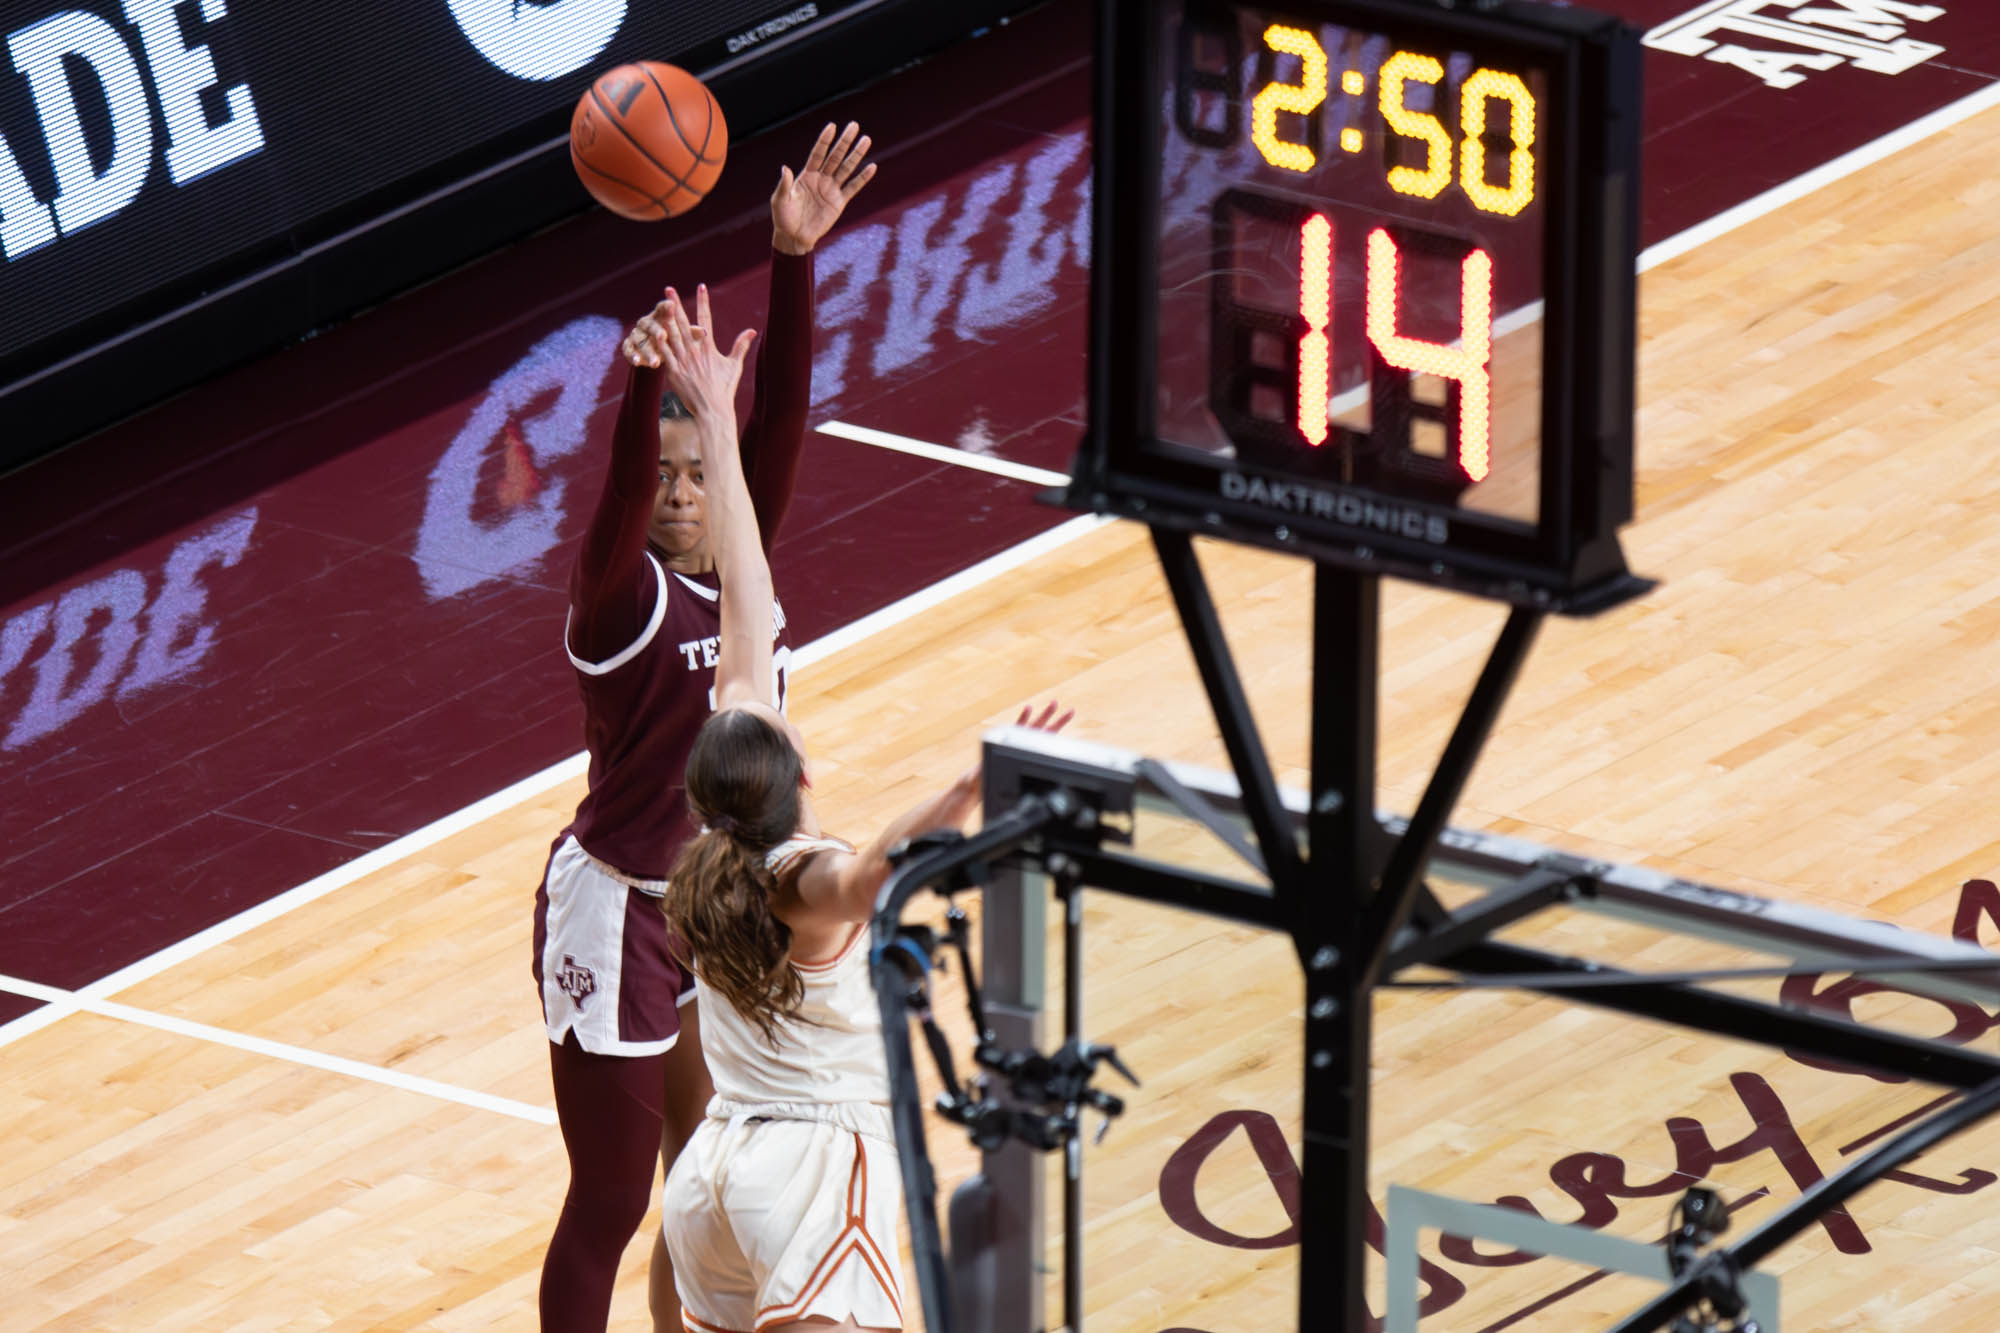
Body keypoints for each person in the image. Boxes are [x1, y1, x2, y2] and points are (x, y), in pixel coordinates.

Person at [639, 288, 1068, 1333]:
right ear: (788, 768)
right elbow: (872, 868)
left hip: (713, 1178)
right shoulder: (793, 878)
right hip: (810, 1162)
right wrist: (967, 789)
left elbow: (743, 603)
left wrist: (714, 417)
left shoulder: (706, 854)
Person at [533, 123, 877, 1333]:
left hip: (715, 898)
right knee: (610, 1198)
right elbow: (620, 495)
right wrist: (639, 390)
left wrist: (791, 259)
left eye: (696, 472)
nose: (685, 491)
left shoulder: (741, 574)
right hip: (617, 907)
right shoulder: (616, 601)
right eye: (670, 476)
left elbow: (773, 427)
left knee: (707, 1169)